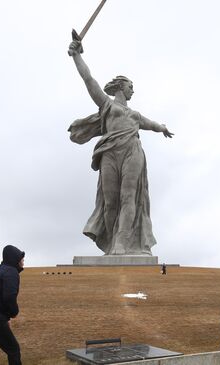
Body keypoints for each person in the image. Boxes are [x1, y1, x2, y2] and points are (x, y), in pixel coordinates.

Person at [67, 40, 173, 256]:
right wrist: (77, 56)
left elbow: (151, 124)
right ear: (121, 87)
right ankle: (111, 242)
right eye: (130, 86)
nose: (133, 90)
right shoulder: (107, 105)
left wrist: (162, 128)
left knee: (128, 196)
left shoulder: (135, 115)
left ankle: (121, 244)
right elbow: (89, 80)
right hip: (109, 153)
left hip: (132, 151)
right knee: (110, 201)